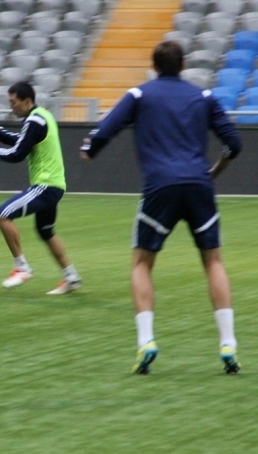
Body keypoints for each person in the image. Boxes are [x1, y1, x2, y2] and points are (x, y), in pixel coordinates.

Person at [80, 40, 242, 375]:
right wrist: (215, 171)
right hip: (199, 186)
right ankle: (228, 343)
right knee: (213, 260)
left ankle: (147, 342)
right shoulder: (204, 96)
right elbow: (234, 144)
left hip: (161, 187)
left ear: (153, 67)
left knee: (142, 263)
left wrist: (89, 150)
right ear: (183, 66)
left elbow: (105, 130)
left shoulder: (140, 95)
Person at [0, 82, 82, 295]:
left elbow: (18, 153)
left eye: (13, 102)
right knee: (46, 231)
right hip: (55, 185)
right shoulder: (43, 116)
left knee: (2, 215)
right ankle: (71, 277)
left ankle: (22, 267)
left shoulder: (34, 120)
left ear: (26, 101)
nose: (11, 106)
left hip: (45, 185)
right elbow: (24, 141)